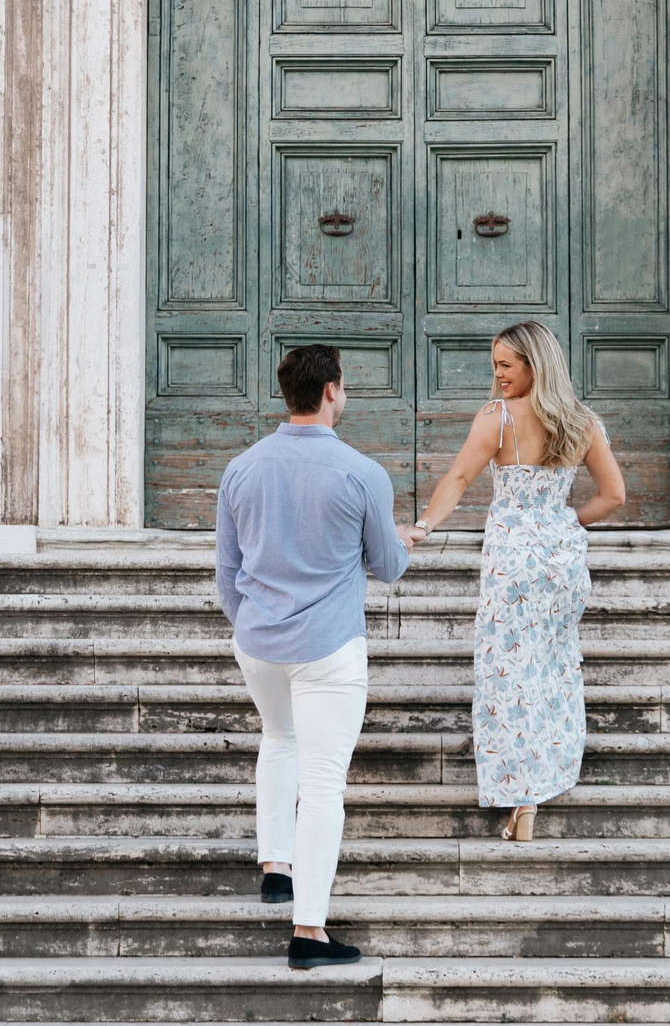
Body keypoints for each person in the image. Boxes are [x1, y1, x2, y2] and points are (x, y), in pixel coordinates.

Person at [214, 342, 413, 969]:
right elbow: (387, 566)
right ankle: (308, 932)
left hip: (259, 640)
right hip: (328, 645)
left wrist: (250, 624)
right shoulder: (362, 473)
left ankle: (276, 865)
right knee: (324, 783)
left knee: (278, 740)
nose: (345, 395)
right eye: (345, 387)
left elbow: (228, 572)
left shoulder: (241, 468)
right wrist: (405, 538)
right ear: (330, 391)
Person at [401, 320, 626, 840]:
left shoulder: (497, 419)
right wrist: (568, 520)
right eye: (495, 364)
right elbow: (613, 495)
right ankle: (542, 786)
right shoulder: (583, 421)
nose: (497, 374)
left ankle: (520, 798)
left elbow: (458, 478)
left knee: (508, 677)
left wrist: (423, 526)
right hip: (562, 561)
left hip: (512, 564)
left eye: (506, 364)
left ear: (534, 365)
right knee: (550, 671)